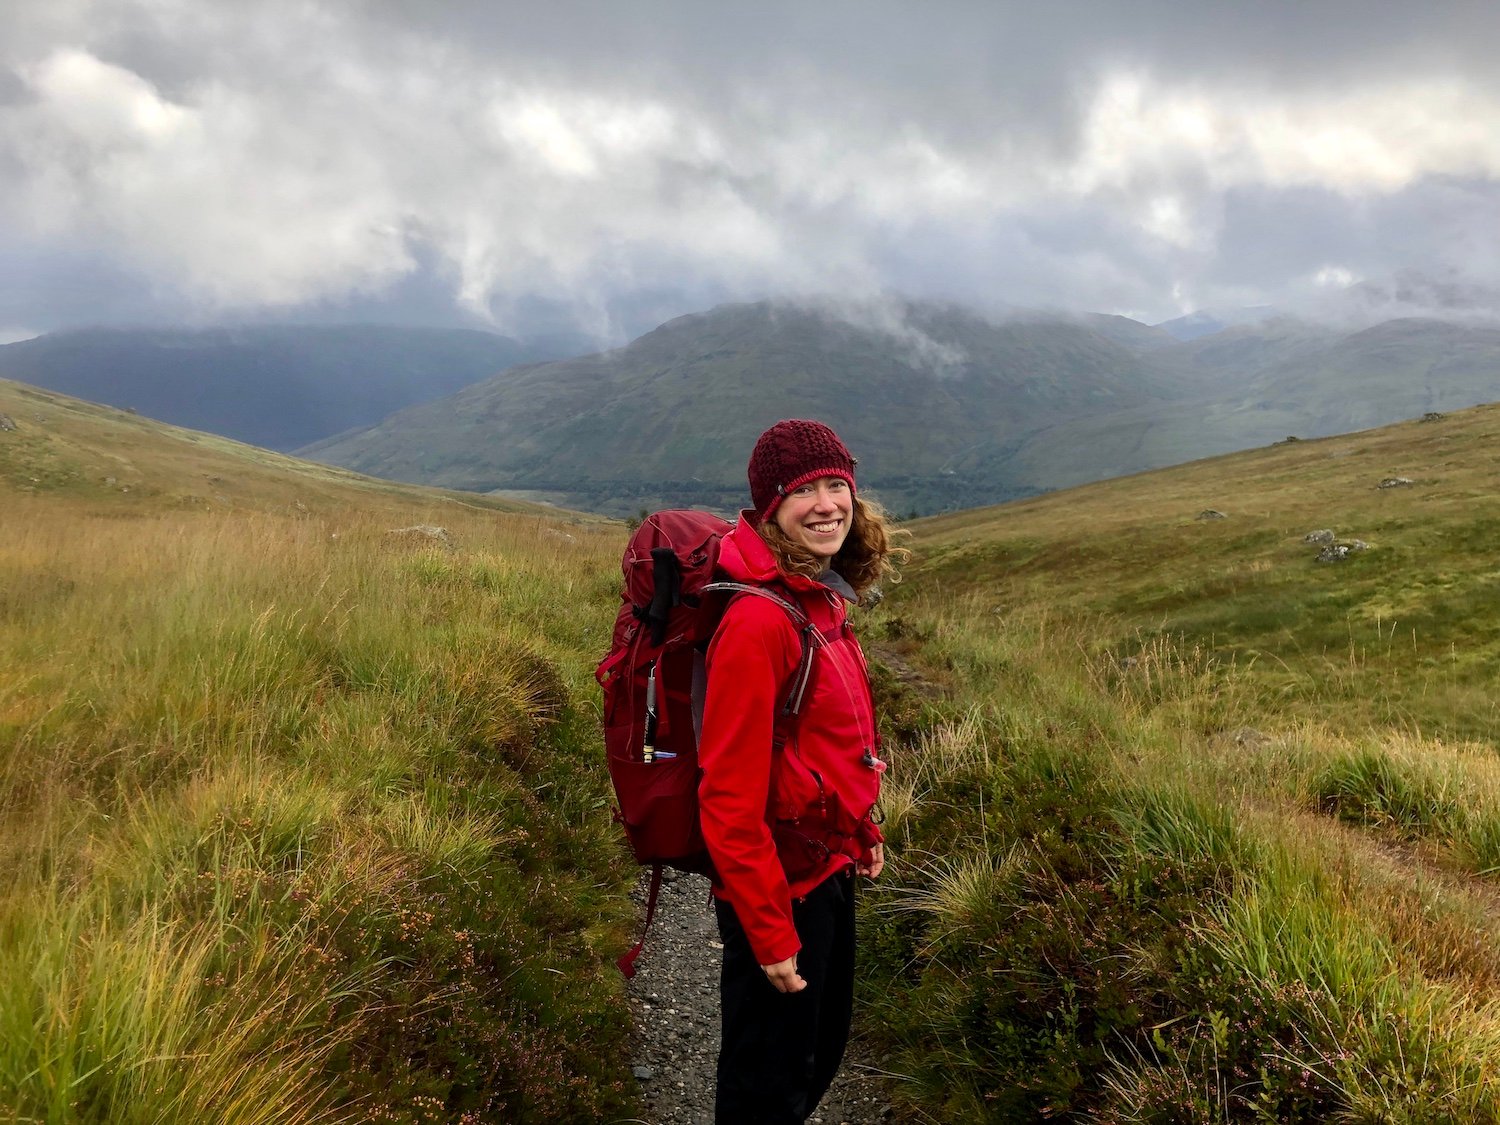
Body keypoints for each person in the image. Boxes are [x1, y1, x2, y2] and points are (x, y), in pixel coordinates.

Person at [697, 418, 906, 1124]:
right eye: (804, 490)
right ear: (770, 506)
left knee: (813, 1058)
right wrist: (768, 931)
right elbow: (727, 797)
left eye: (835, 485)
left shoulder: (818, 594)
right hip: (779, 887)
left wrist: (860, 826)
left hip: (826, 863)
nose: (826, 504)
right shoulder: (759, 621)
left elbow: (828, 738)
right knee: (768, 1086)